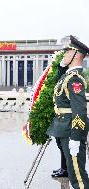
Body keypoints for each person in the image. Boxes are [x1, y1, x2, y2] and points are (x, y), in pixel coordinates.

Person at [47, 35, 89, 189]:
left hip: (71, 130)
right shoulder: (67, 76)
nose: (64, 54)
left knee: (78, 177)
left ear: (76, 55)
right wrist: (61, 65)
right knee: (72, 172)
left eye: (67, 51)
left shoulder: (74, 79)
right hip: (64, 127)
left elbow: (80, 110)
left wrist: (76, 137)